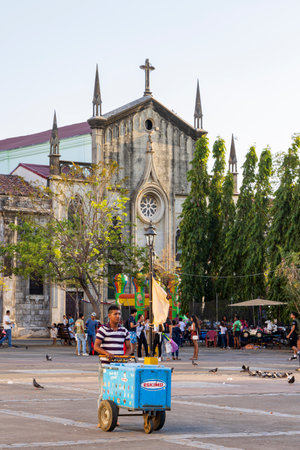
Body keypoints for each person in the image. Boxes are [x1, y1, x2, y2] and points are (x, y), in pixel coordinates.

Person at [94, 305, 131, 408]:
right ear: (109, 315)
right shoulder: (103, 330)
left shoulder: (124, 331)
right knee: (104, 392)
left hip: (119, 366)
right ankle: (102, 418)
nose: (118, 316)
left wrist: (125, 357)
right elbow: (96, 347)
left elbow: (129, 348)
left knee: (116, 393)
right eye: (115, 314)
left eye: (119, 314)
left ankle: (114, 418)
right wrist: (106, 353)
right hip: (105, 366)